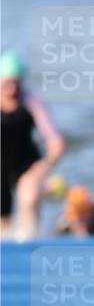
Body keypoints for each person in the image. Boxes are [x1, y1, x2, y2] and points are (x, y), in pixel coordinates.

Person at [0, 50, 66, 241]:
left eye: (16, 82)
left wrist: (43, 166)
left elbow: (56, 142)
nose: (12, 89)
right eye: (7, 83)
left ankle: (31, 245)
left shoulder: (30, 101)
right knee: (3, 227)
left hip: (27, 165)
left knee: (27, 198)